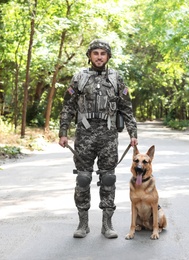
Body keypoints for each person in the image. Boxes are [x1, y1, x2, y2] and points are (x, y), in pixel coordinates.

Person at [58, 39, 138, 239]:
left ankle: (107, 224)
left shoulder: (116, 78)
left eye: (103, 53)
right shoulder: (79, 78)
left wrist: (133, 134)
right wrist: (63, 132)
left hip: (108, 135)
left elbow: (127, 109)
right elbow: (68, 106)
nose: (99, 57)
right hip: (84, 135)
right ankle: (83, 224)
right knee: (83, 178)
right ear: (90, 56)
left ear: (108, 56)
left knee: (108, 178)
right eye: (96, 53)